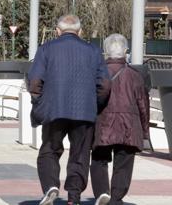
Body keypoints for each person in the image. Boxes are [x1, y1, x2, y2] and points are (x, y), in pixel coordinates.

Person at [28, 15, 111, 205]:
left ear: (57, 31)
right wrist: (94, 103)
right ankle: (73, 198)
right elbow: (105, 84)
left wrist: (39, 101)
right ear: (80, 32)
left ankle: (50, 186)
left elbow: (34, 81)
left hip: (53, 110)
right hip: (84, 112)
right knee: (80, 155)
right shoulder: (93, 51)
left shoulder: (46, 49)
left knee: (49, 149)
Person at [90, 34, 149, 205]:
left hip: (103, 125)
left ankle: (102, 193)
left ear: (105, 52)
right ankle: (116, 199)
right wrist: (145, 133)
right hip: (129, 128)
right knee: (124, 163)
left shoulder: (97, 73)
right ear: (125, 51)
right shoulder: (135, 75)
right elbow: (143, 106)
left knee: (99, 159)